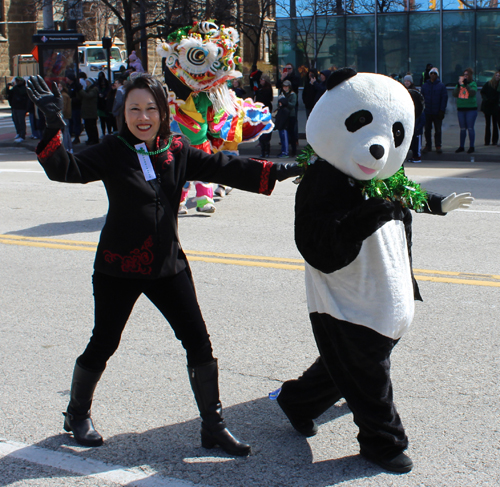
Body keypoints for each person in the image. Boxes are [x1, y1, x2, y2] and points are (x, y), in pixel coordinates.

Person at [26, 73, 301, 455]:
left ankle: (214, 426)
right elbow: (65, 169)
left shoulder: (175, 149)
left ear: (162, 111)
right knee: (103, 342)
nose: (142, 117)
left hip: (168, 265)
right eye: (134, 109)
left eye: (150, 108)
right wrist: (54, 125)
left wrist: (280, 171)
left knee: (198, 343)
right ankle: (77, 414)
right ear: (123, 112)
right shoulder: (112, 149)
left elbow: (223, 166)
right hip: (117, 267)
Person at [421, 67, 448, 154]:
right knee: (427, 130)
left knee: (438, 130)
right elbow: (422, 99)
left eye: (435, 74)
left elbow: (444, 99)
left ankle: (438, 145)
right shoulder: (425, 86)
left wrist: (442, 110)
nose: (433, 75)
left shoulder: (441, 86)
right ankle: (428, 145)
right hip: (427, 111)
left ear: (437, 75)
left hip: (437, 112)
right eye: (431, 73)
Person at [453, 67, 478, 154]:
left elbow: (472, 93)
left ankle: (471, 146)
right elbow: (455, 94)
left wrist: (466, 85)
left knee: (470, 128)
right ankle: (461, 146)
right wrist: (459, 86)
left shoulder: (473, 84)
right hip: (461, 109)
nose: (465, 76)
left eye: (467, 75)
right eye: (464, 75)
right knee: (462, 128)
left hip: (471, 109)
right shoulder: (460, 84)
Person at [255, 76, 274, 157]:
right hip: (260, 110)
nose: (260, 81)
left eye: (262, 79)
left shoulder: (267, 89)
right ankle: (263, 150)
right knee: (260, 130)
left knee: (266, 131)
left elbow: (266, 99)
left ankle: (267, 151)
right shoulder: (260, 88)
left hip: (265, 109)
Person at [480, 71, 500, 146]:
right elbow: (483, 92)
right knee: (488, 124)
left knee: (495, 124)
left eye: (499, 76)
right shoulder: (489, 84)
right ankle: (487, 141)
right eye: (497, 75)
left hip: (494, 106)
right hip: (488, 106)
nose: (498, 77)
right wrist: (486, 99)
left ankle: (494, 140)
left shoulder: (498, 85)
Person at [6, 76, 29, 142]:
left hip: (21, 107)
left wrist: (15, 87)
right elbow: (9, 94)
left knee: (21, 121)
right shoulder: (15, 88)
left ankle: (22, 135)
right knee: (15, 120)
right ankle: (18, 133)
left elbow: (21, 92)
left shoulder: (23, 88)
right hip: (14, 107)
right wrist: (8, 88)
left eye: (18, 81)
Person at [78, 78, 99, 145]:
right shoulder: (87, 89)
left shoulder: (93, 90)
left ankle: (94, 139)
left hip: (91, 112)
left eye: (88, 82)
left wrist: (80, 90)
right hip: (87, 112)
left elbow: (88, 96)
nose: (86, 83)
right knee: (87, 126)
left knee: (92, 126)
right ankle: (90, 138)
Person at [281, 80, 298, 156]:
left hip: (291, 115)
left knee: (292, 133)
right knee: (284, 134)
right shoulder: (282, 94)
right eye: (284, 86)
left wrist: (285, 102)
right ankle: (285, 150)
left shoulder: (293, 94)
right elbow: (279, 104)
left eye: (287, 86)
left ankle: (294, 150)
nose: (285, 88)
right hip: (284, 115)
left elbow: (292, 105)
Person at [58, 81, 73, 154]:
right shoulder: (64, 95)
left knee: (65, 132)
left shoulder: (63, 95)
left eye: (60, 86)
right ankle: (69, 147)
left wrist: (60, 114)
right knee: (66, 131)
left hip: (64, 115)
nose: (59, 88)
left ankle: (67, 147)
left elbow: (63, 106)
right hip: (65, 115)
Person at [97, 72, 113, 137]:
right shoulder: (100, 86)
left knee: (106, 121)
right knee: (103, 121)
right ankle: (105, 132)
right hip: (101, 106)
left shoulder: (100, 86)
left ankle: (108, 132)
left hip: (105, 106)